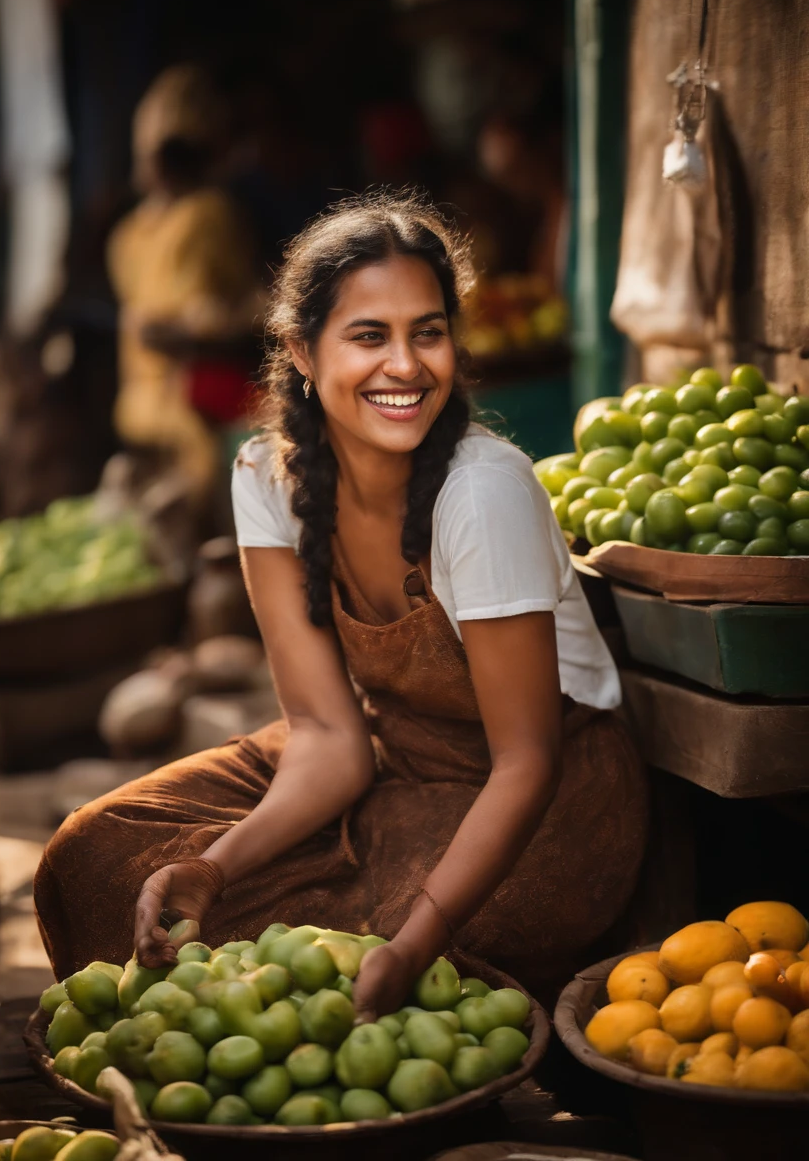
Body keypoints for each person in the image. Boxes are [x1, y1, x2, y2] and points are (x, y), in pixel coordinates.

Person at [35, 192, 647, 1015]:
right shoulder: (265, 478)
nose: (406, 365)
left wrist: (415, 939)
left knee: (341, 947)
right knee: (96, 859)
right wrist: (214, 867)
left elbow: (527, 763)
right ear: (303, 352)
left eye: (427, 332)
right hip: (389, 758)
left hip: (549, 798)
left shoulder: (482, 491)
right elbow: (329, 737)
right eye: (369, 336)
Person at [106, 64, 265, 523]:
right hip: (195, 412)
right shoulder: (210, 215)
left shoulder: (128, 234)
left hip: (140, 413)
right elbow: (225, 319)